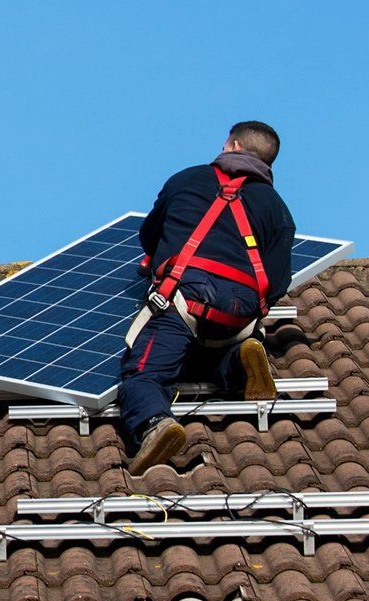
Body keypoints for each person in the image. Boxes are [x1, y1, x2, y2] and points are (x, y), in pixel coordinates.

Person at [119, 121, 296, 474]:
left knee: (144, 373)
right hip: (240, 313)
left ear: (231, 146)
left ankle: (155, 423)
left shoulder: (186, 180)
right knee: (211, 352)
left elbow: (149, 236)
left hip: (185, 295)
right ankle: (241, 362)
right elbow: (278, 281)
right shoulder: (277, 208)